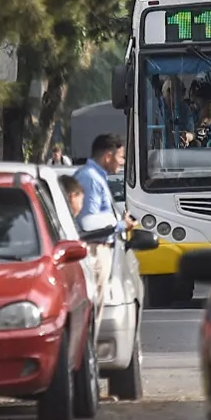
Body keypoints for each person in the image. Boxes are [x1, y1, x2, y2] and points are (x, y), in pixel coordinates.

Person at [74, 134, 136, 322]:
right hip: (94, 249)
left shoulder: (96, 177)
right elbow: (88, 222)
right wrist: (120, 224)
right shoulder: (90, 178)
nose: (122, 163)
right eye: (121, 157)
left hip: (102, 248)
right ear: (108, 156)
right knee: (93, 314)